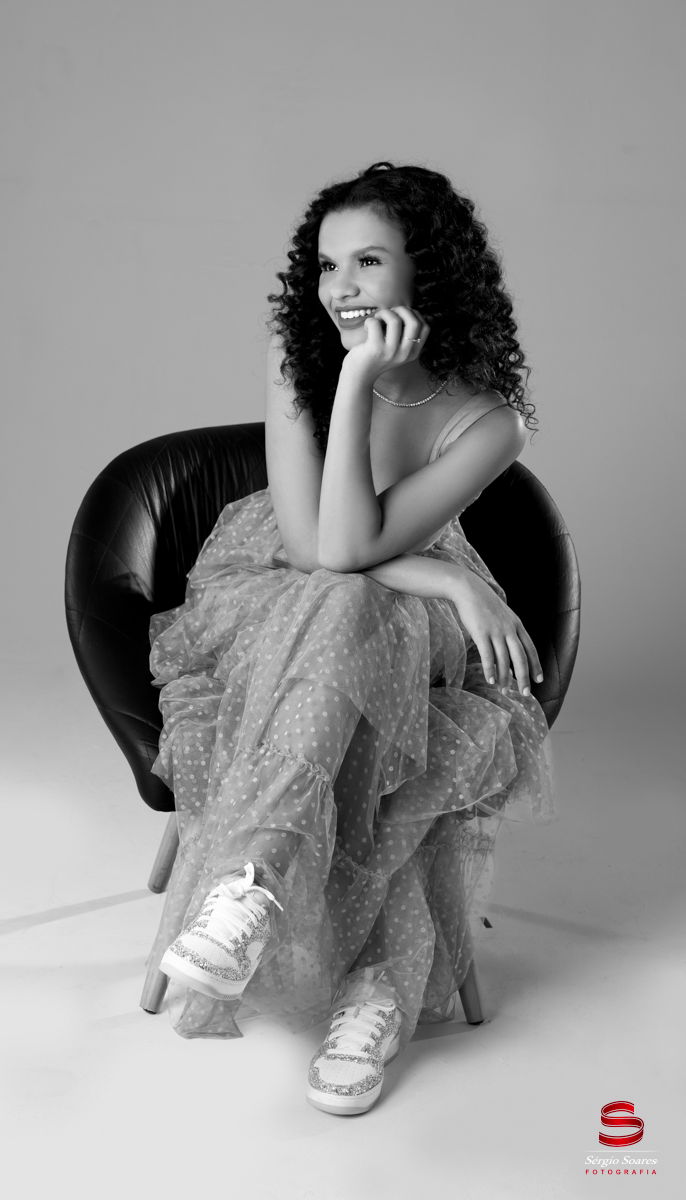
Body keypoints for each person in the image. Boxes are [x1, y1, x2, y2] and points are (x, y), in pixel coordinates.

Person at [146, 162, 555, 1115]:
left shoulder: (491, 422)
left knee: (360, 624)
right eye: (327, 266)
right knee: (342, 612)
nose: (340, 288)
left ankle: (249, 889)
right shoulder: (300, 357)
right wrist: (446, 574)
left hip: (393, 606)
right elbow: (314, 549)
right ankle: (372, 989)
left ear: (428, 271)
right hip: (278, 586)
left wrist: (365, 379)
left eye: (368, 261)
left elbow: (353, 549)